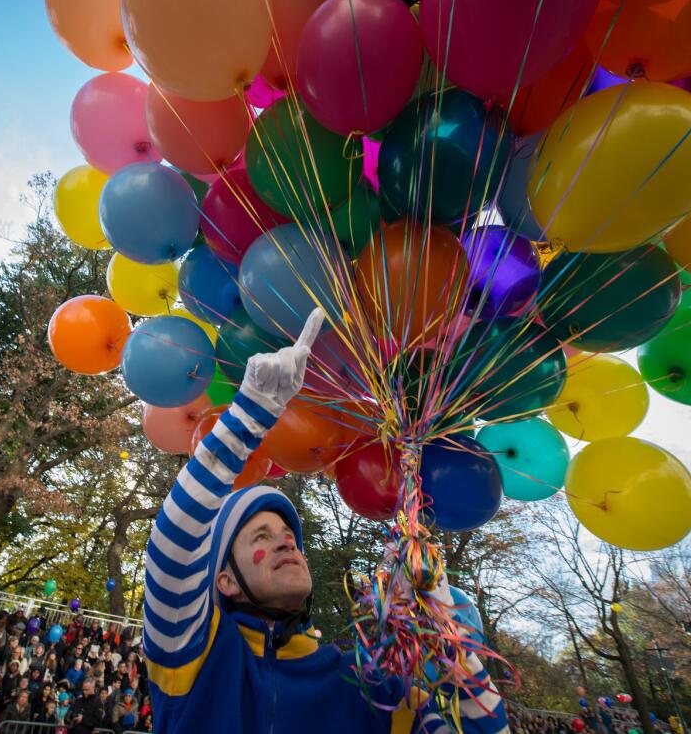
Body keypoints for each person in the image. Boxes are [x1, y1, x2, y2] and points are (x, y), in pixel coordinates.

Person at [141, 308, 510, 734]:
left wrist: (442, 629)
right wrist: (249, 416)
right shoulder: (195, 656)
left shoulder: (369, 686)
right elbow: (173, 544)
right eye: (261, 536)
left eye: (289, 537)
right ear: (224, 580)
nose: (286, 544)